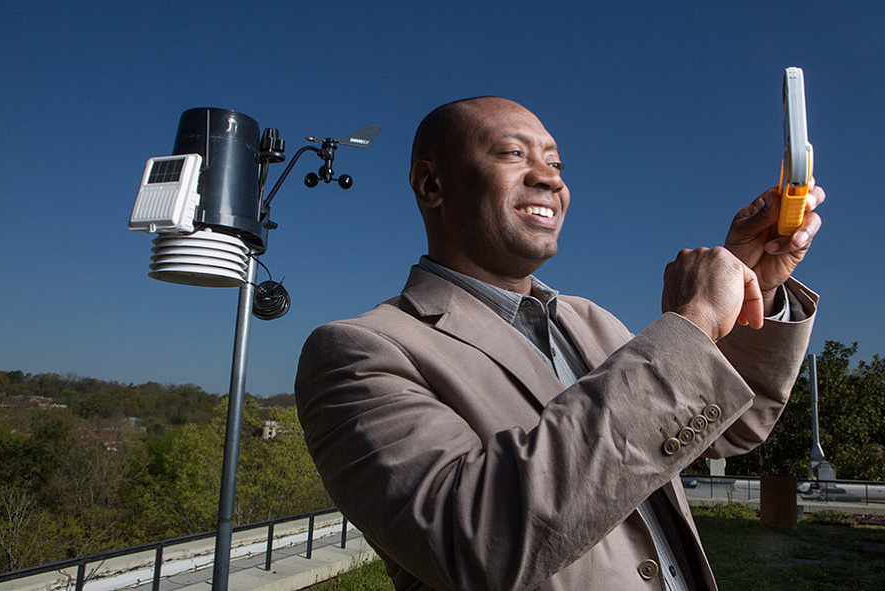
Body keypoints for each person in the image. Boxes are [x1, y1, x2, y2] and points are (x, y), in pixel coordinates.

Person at [296, 96, 823, 591]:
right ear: (431, 184)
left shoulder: (591, 319)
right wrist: (695, 321)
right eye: (512, 153)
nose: (549, 177)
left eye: (556, 162)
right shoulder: (357, 353)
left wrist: (754, 285)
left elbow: (732, 431)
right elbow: (477, 543)